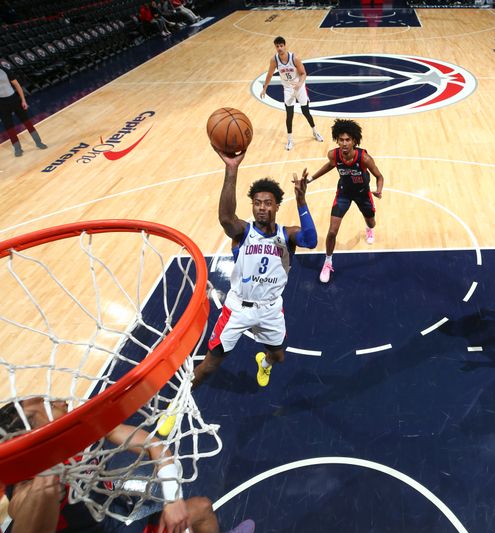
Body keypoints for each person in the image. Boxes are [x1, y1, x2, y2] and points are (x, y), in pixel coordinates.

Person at [0, 397, 254, 533]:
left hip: (115, 519)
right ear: (33, 432)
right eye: (50, 404)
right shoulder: (26, 486)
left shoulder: (82, 429)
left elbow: (156, 446)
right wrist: (48, 475)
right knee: (201, 509)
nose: (61, 402)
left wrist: (173, 498)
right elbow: (20, 515)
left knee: (201, 508)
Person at [190, 148, 318, 391]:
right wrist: (231, 169)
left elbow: (310, 240)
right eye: (257, 203)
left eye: (267, 203)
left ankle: (264, 363)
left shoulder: (286, 235)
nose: (261, 208)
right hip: (237, 308)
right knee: (209, 366)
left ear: (277, 206)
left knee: (278, 357)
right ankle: (175, 406)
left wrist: (301, 201)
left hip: (270, 310)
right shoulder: (243, 233)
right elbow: (226, 218)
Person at [303, 119, 385, 284]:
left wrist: (379, 190)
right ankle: (328, 262)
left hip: (363, 194)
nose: (345, 143)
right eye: (341, 139)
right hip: (344, 193)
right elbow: (329, 165)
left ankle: (369, 228)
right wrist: (310, 179)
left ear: (354, 140)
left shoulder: (364, 158)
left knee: (372, 222)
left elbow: (379, 176)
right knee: (332, 231)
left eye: (348, 140)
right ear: (337, 140)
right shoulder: (334, 155)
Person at [258, 36, 323, 151]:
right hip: (288, 89)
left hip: (299, 87)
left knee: (306, 112)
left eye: (281, 46)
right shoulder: (274, 60)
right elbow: (269, 74)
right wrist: (265, 88)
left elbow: (303, 73)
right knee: (289, 115)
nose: (279, 48)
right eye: (277, 46)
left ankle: (315, 132)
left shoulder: (294, 58)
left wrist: (299, 83)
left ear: (285, 45)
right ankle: (290, 140)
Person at [0, 63, 46, 157]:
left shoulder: (5, 71)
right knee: (9, 127)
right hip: (2, 104)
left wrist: (23, 100)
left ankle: (38, 142)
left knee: (27, 122)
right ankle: (17, 148)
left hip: (14, 99)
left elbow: (17, 85)